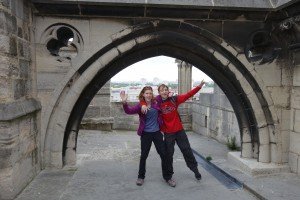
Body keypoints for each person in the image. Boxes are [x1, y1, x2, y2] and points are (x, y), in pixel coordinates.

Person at [141, 80, 206, 186]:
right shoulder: (157, 101)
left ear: (168, 91)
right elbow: (144, 100)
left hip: (179, 131)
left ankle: (195, 170)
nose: (164, 92)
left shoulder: (174, 99)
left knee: (187, 150)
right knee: (168, 155)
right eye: (162, 90)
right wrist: (143, 104)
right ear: (159, 92)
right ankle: (168, 177)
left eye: (166, 90)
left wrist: (199, 86)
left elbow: (188, 94)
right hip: (168, 133)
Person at [120, 86, 175, 187]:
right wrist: (124, 103)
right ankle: (141, 177)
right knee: (144, 156)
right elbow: (128, 111)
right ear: (143, 95)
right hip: (146, 134)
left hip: (157, 133)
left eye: (150, 93)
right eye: (146, 93)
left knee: (164, 154)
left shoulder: (156, 102)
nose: (148, 95)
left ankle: (168, 177)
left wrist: (170, 94)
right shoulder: (139, 106)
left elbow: (163, 95)